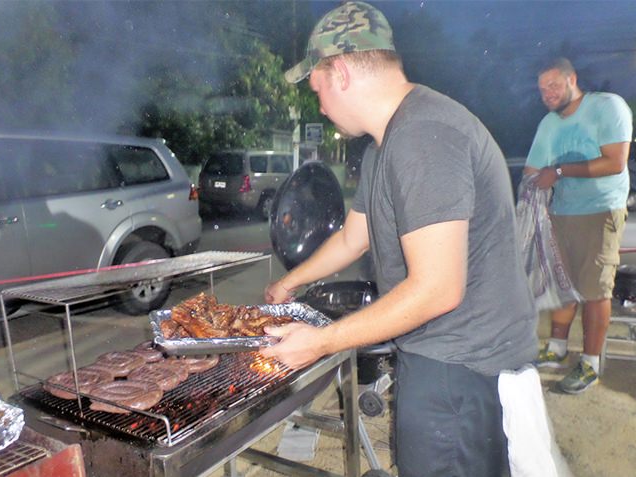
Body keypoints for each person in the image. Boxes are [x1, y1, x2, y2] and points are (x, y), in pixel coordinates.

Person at [260, 2, 538, 476]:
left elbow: (438, 289)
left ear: (341, 72)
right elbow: (353, 238)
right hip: (439, 356)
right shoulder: (385, 145)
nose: (319, 104)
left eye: (317, 87)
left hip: (462, 369)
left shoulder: (423, 135)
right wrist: (288, 285)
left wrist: (323, 342)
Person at [524, 57, 633, 394]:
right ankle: (556, 350)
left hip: (601, 210)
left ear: (572, 79)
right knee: (562, 284)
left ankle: (589, 363)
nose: (548, 94)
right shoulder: (549, 124)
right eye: (542, 90)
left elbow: (615, 162)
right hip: (562, 212)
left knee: (594, 290)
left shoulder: (607, 107)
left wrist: (557, 172)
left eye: (554, 85)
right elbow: (532, 169)